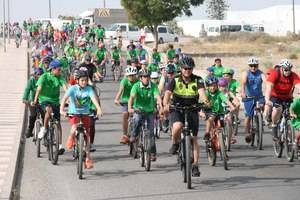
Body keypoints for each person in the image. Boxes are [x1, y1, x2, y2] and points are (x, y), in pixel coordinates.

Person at [163, 56, 207, 177]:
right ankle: (175, 143)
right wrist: (166, 104)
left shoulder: (198, 80)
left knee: (194, 138)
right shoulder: (175, 80)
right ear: (181, 69)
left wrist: (206, 102)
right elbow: (167, 93)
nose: (187, 70)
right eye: (185, 68)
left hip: (193, 109)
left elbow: (202, 93)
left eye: (189, 68)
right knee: (177, 126)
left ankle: (195, 165)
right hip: (177, 108)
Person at [60, 70, 103, 169]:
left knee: (87, 136)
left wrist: (99, 109)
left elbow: (94, 99)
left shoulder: (89, 89)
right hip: (74, 113)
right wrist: (61, 110)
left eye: (86, 80)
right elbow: (64, 99)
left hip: (85, 113)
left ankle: (88, 158)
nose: (84, 82)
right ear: (77, 80)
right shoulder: (72, 89)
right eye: (82, 80)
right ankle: (71, 137)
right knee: (74, 126)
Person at [32, 60, 67, 155]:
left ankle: (59, 146)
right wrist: (35, 100)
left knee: (58, 123)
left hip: (55, 101)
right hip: (44, 100)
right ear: (53, 69)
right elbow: (39, 88)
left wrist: (68, 99)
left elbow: (65, 88)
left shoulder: (59, 77)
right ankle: (44, 128)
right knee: (48, 110)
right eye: (59, 70)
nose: (60, 71)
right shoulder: (44, 76)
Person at [128, 68, 163, 161]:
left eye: (148, 76)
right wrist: (130, 108)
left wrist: (161, 107)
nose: (146, 78)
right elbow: (131, 98)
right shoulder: (136, 86)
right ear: (140, 78)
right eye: (144, 77)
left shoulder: (153, 86)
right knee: (136, 120)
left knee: (151, 133)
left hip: (150, 111)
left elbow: (157, 97)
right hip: (138, 110)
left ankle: (152, 153)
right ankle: (134, 134)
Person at [264, 59, 300, 141]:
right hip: (275, 97)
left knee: (292, 112)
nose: (288, 71)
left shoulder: (293, 75)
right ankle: (274, 126)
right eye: (286, 69)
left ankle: (291, 134)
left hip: (288, 97)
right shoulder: (275, 74)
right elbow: (269, 87)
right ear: (281, 68)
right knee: (278, 108)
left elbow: (298, 85)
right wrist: (267, 99)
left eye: (289, 69)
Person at [240, 57, 265, 143]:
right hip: (248, 97)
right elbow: (243, 84)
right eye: (251, 66)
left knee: (262, 106)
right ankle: (247, 132)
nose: (253, 67)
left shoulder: (261, 74)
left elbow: (266, 81)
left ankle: (260, 121)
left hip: (259, 96)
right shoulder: (245, 74)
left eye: (255, 65)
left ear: (257, 65)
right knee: (248, 116)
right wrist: (243, 93)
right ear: (249, 66)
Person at [114, 66, 138, 144]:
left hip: (136, 102)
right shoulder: (124, 81)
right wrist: (116, 99)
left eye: (133, 75)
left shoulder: (138, 82)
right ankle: (125, 135)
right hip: (125, 101)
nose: (131, 77)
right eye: (129, 75)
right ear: (127, 76)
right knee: (125, 114)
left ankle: (138, 133)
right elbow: (120, 90)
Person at [22, 68, 44, 138]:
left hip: (42, 100)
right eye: (38, 75)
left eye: (41, 75)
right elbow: (27, 90)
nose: (40, 76)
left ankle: (46, 130)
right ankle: (30, 130)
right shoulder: (31, 81)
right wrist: (24, 99)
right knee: (33, 115)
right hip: (32, 100)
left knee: (45, 114)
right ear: (35, 75)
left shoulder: (44, 81)